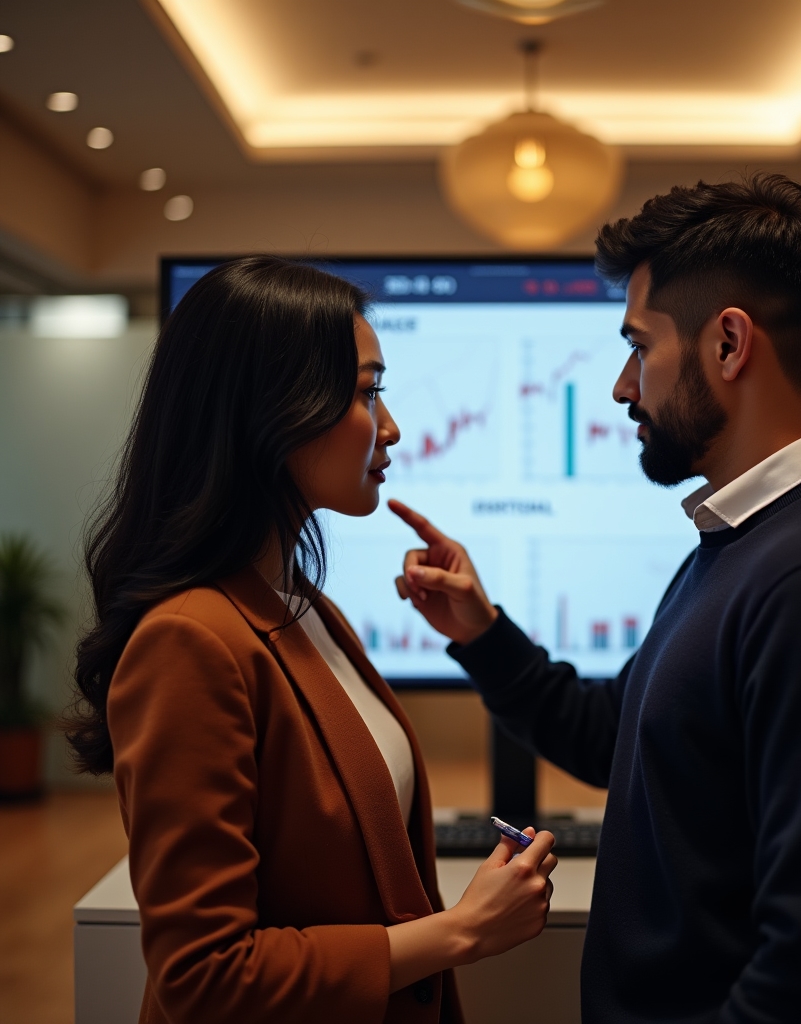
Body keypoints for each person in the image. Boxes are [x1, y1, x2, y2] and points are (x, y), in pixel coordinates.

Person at [391, 175, 801, 1023]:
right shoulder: (747, 545)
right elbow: (622, 736)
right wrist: (482, 632)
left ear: (729, 344)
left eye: (639, 345)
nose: (623, 386)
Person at [64, 256, 557, 1024]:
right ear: (274, 411)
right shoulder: (189, 641)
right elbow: (205, 978)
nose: (391, 428)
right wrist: (458, 933)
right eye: (368, 393)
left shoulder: (302, 608)